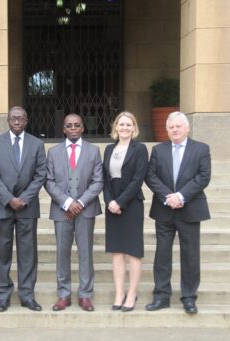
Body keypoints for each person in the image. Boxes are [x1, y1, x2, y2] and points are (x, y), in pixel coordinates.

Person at [145, 111, 211, 315]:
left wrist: (181, 196)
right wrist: (168, 196)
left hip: (190, 209)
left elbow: (203, 177)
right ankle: (162, 296)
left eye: (178, 126)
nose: (174, 130)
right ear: (167, 129)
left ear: (187, 128)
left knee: (190, 255)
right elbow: (151, 175)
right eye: (171, 127)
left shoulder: (201, 148)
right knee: (162, 255)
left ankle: (189, 297)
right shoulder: (158, 149)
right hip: (164, 209)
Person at [0, 106, 47, 312]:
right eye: (13, 118)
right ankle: (3, 295)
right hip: (3, 206)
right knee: (2, 253)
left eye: (21, 118)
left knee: (28, 253)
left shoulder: (37, 144)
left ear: (27, 120)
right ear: (7, 120)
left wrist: (23, 198)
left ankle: (27, 295)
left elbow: (41, 174)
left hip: (27, 207)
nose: (17, 122)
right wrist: (9, 199)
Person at [44, 113, 103, 312]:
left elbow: (98, 181)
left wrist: (80, 203)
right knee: (63, 253)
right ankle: (63, 294)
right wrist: (68, 202)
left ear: (83, 128)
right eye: (69, 125)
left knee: (86, 253)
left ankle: (85, 294)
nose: (73, 128)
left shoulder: (94, 151)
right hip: (62, 211)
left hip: (86, 210)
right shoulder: (53, 152)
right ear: (63, 129)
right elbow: (49, 181)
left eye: (77, 125)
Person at [102, 111, 148, 312]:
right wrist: (110, 201)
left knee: (133, 251)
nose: (125, 128)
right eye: (121, 124)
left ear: (134, 127)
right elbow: (104, 179)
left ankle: (132, 294)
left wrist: (120, 202)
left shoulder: (140, 149)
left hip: (131, 205)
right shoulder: (108, 149)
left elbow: (138, 179)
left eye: (129, 125)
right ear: (116, 127)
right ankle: (119, 293)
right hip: (112, 205)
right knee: (117, 252)